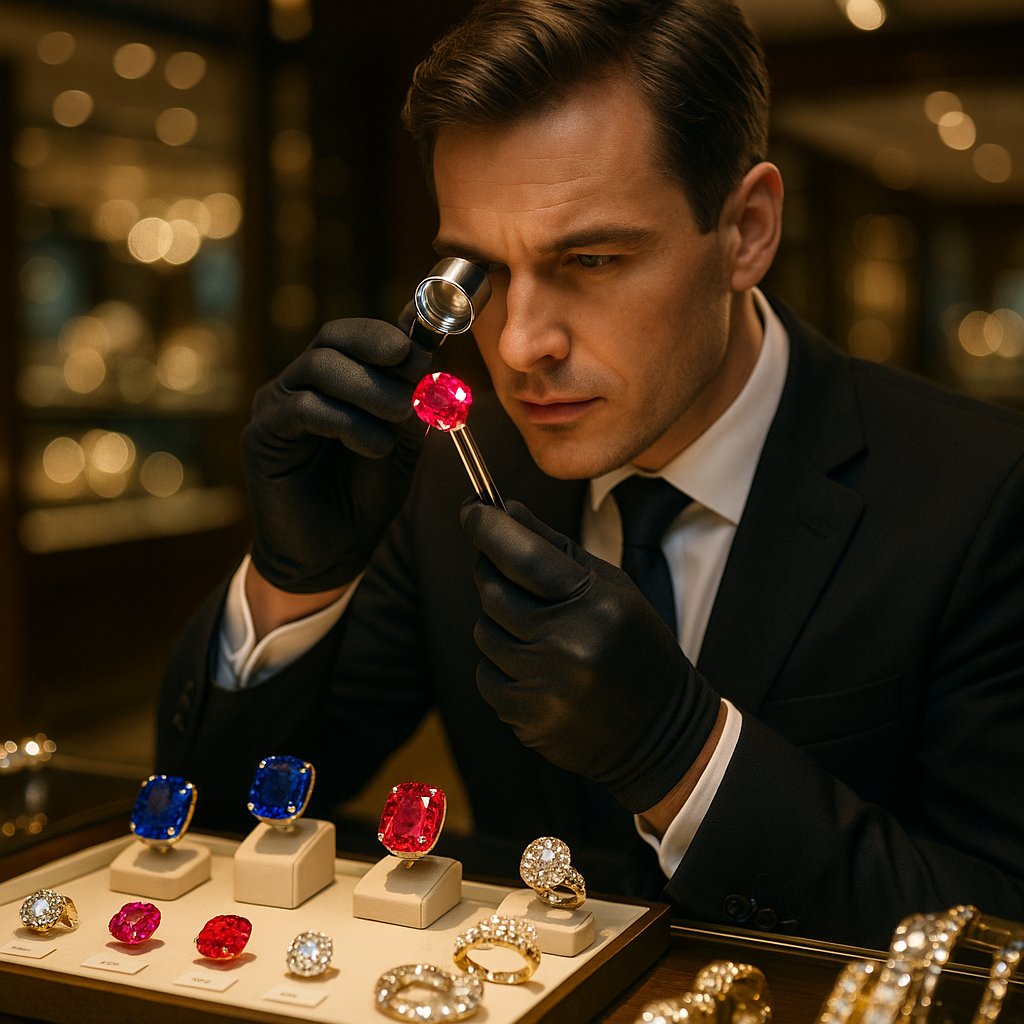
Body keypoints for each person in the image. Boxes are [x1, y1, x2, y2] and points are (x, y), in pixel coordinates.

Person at [157, 0, 1024, 948]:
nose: (521, 346)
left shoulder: (980, 496)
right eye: (481, 272)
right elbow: (213, 818)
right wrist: (292, 580)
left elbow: (996, 937)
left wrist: (682, 757)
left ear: (747, 230)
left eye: (593, 258)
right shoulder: (453, 469)